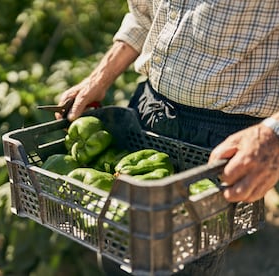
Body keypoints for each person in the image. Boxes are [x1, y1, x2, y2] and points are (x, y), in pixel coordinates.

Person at [55, 1, 279, 275]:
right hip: (147, 109)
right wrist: (100, 77)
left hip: (221, 135)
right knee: (118, 248)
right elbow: (144, 15)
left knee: (182, 265)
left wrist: (273, 132)